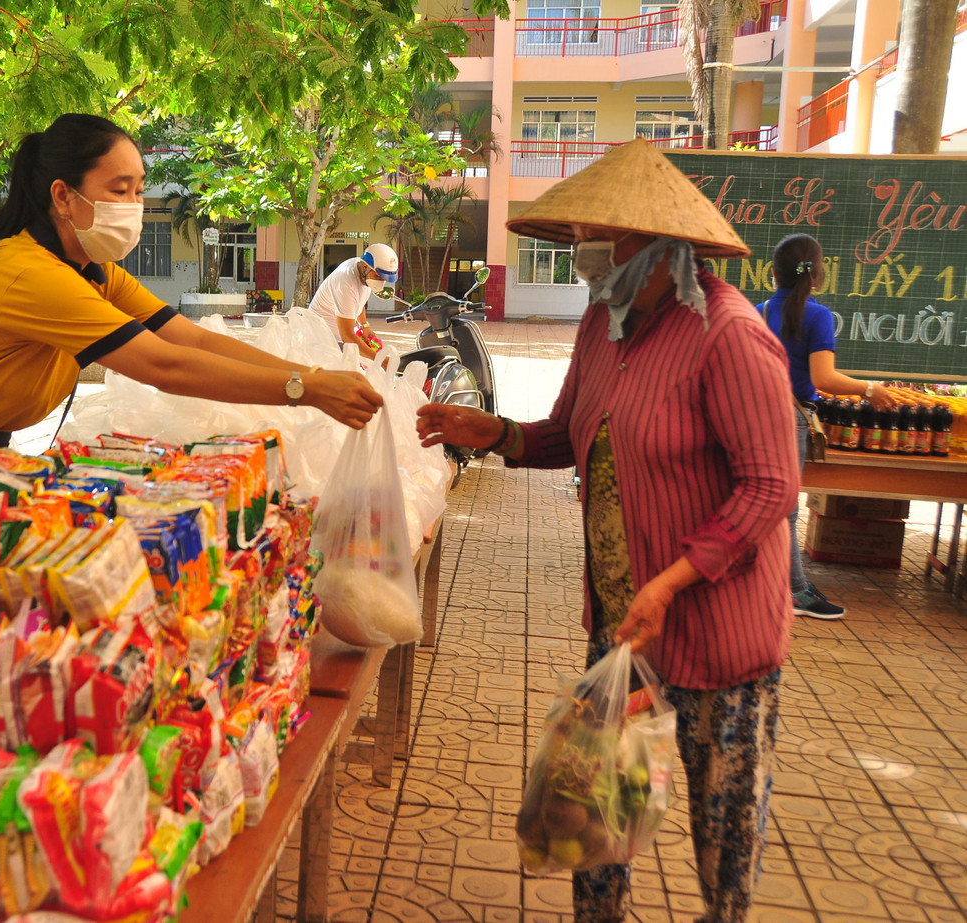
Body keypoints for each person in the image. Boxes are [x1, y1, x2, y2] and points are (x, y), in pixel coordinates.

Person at [416, 139, 797, 923]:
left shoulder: (729, 334)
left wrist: (672, 581)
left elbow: (771, 486)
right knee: (595, 822)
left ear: (660, 247)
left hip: (717, 636)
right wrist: (493, 431)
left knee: (722, 834)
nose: (585, 254)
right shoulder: (604, 322)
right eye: (582, 237)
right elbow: (567, 432)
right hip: (624, 628)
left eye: (602, 239)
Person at [0, 114, 382, 444]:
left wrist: (313, 375)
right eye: (119, 190)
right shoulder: (27, 272)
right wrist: (304, 390)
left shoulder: (93, 272)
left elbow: (193, 339)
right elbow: (166, 365)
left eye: (139, 191)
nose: (134, 206)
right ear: (63, 196)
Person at [757, 233, 895, 620]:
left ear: (773, 274)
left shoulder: (758, 312)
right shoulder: (817, 316)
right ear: (818, 276)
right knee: (786, 510)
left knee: (760, 501)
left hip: (754, 417)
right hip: (789, 420)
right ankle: (795, 591)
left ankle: (767, 584)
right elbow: (824, 378)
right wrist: (869, 389)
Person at [307, 243, 398, 358]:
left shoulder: (362, 270)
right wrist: (381, 361)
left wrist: (364, 326)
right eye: (378, 277)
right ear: (366, 267)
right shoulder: (346, 284)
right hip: (322, 338)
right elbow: (348, 336)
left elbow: (359, 302)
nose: (380, 281)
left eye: (384, 279)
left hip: (338, 336)